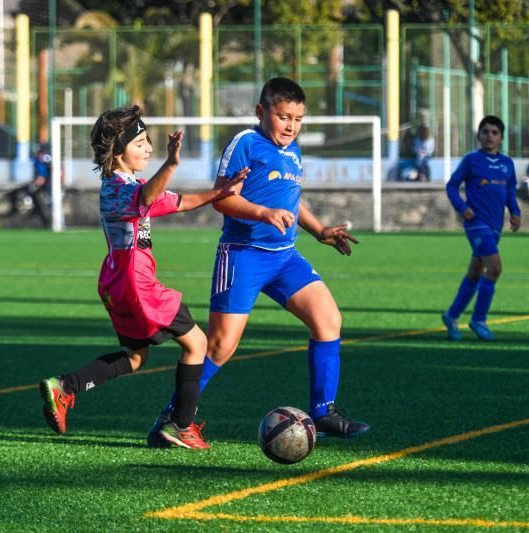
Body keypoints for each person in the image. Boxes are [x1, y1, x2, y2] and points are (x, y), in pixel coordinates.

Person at [146, 77, 370, 447]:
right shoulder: (246, 143)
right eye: (283, 117)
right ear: (261, 112)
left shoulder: (293, 151)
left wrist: (319, 231)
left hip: (285, 258)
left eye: (298, 119)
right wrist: (261, 212)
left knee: (328, 319)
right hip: (242, 256)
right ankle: (172, 419)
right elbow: (222, 198)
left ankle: (324, 412)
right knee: (220, 346)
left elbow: (292, 198)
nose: (291, 126)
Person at [38, 105, 247, 449]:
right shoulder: (119, 189)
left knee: (135, 357)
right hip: (138, 285)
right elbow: (149, 196)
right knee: (197, 345)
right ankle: (180, 425)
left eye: (148, 141)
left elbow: (178, 201)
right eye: (140, 143)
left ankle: (66, 387)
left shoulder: (123, 185)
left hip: (118, 282)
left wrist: (220, 193)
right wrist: (171, 163)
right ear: (118, 150)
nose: (148, 148)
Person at [442, 115, 521, 342]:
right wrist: (461, 206)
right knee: (495, 268)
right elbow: (452, 186)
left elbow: (510, 193)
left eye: (494, 132)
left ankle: (452, 315)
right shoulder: (471, 160)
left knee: (476, 272)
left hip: (496, 225)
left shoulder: (507, 164)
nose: (489, 136)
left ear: (501, 138)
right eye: (485, 131)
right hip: (476, 222)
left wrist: (515, 212)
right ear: (479, 136)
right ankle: (479, 319)